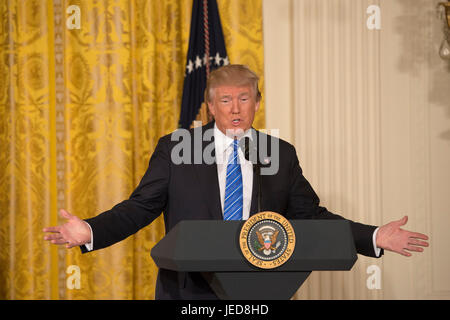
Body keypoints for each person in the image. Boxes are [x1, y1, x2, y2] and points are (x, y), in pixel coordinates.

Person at [43, 64, 429, 300]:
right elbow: (141, 206)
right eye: (225, 100)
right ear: (210, 105)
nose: (235, 109)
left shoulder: (280, 153)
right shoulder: (177, 148)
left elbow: (310, 216)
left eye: (244, 99)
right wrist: (90, 230)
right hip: (187, 290)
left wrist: (374, 236)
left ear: (257, 103)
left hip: (261, 287)